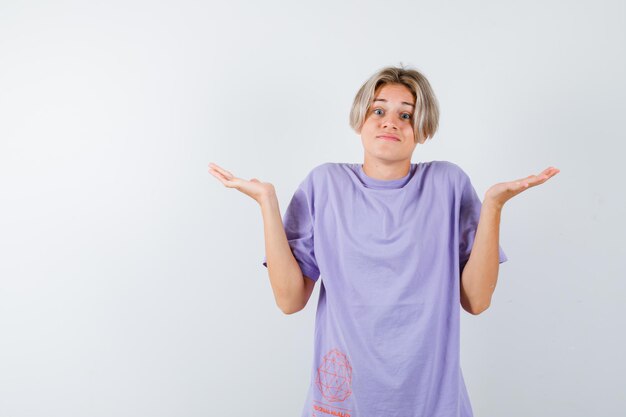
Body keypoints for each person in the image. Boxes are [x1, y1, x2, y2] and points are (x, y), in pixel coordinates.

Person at [208, 65, 559, 417]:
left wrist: (494, 206)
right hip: (344, 402)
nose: (390, 122)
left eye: (406, 114)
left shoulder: (448, 184)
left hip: (433, 404)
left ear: (422, 129)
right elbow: (289, 299)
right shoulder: (324, 185)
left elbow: (477, 300)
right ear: (360, 119)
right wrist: (267, 202)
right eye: (378, 110)